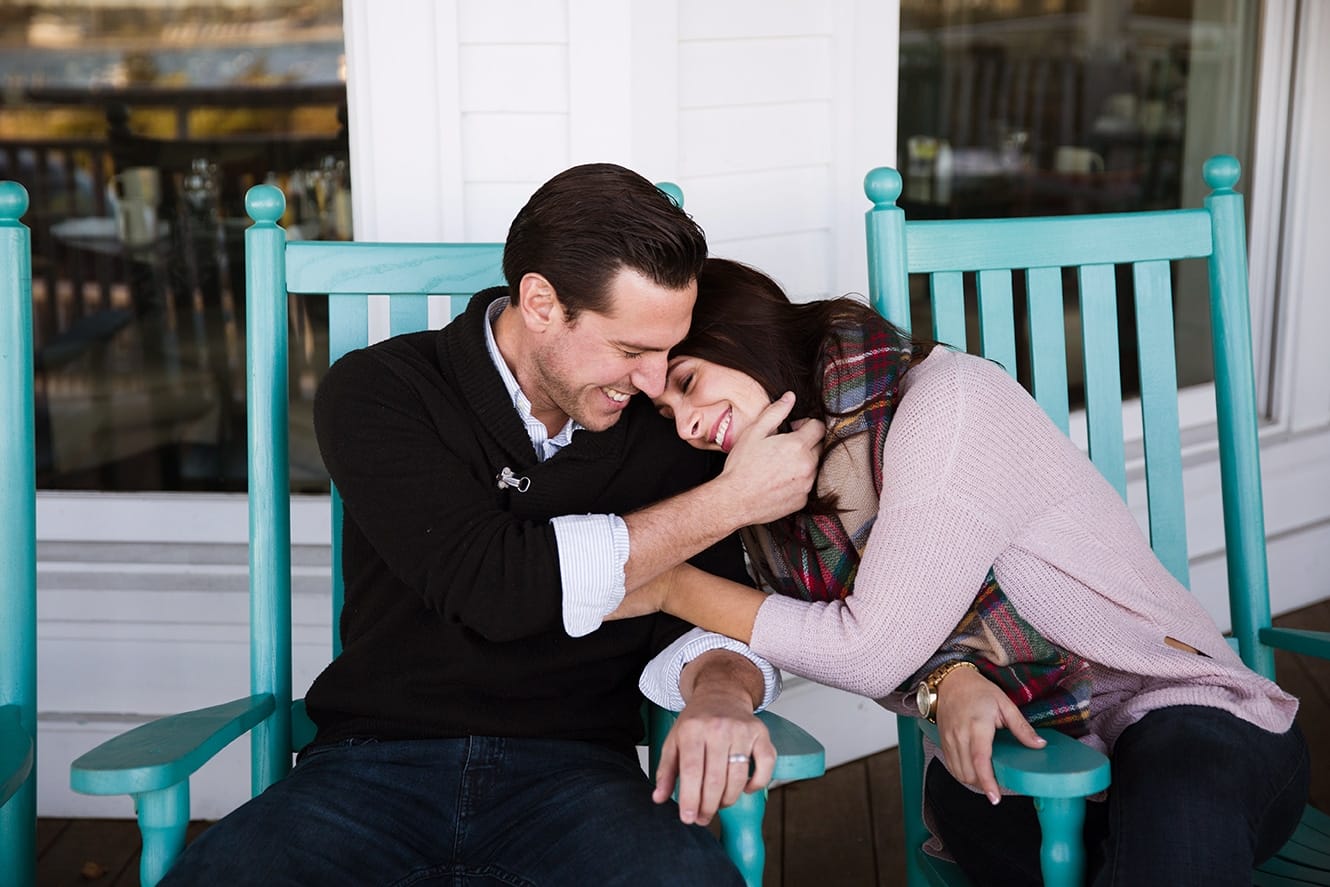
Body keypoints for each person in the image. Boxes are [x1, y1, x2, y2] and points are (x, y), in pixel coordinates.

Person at [159, 166, 826, 886]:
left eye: (669, 350)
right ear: (540, 302)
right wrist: (731, 499)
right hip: (370, 766)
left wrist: (722, 696)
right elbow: (492, 584)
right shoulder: (380, 391)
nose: (656, 382)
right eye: (632, 350)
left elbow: (708, 607)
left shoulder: (663, 427)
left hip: (581, 777)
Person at [616, 257, 1310, 886]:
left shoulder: (946, 400)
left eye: (688, 381)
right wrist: (948, 679)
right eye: (667, 410)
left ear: (745, 335)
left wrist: (666, 581)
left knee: (1174, 788)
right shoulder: (776, 503)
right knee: (965, 798)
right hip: (1042, 754)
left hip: (1189, 719)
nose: (685, 424)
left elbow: (871, 648)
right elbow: (900, 635)